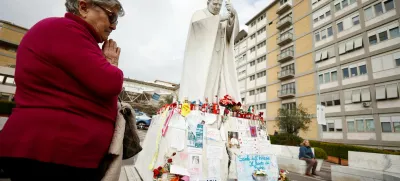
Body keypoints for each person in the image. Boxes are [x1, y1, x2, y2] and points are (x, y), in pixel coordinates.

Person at [0, 0, 125, 180]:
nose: (113, 26)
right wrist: (111, 65)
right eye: (111, 16)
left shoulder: (78, 37)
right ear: (83, 7)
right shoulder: (64, 29)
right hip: (51, 152)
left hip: (58, 153)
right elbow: (110, 83)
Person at [178, 0, 241, 102]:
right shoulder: (199, 14)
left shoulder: (223, 19)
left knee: (215, 82)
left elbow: (231, 35)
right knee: (204, 79)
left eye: (220, 5)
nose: (217, 7)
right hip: (203, 58)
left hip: (218, 56)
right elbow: (199, 26)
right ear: (208, 3)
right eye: (215, 4)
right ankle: (198, 101)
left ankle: (212, 103)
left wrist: (233, 15)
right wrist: (219, 18)